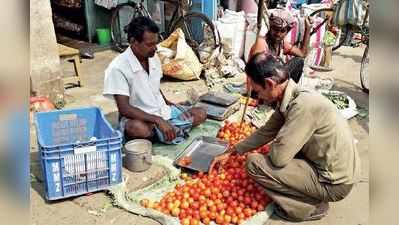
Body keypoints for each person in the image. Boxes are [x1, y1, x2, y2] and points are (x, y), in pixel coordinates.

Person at [210, 53, 361, 222]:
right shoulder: (294, 95)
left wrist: (279, 142)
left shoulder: (303, 106)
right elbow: (267, 131)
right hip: (333, 169)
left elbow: (279, 158)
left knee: (254, 164)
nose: (258, 97)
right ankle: (309, 192)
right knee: (278, 152)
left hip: (334, 184)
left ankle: (307, 207)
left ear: (269, 83)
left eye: (258, 91)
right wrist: (233, 151)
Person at [103, 16, 207, 143]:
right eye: (149, 44)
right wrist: (157, 120)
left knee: (201, 113)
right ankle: (172, 130)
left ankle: (166, 132)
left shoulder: (153, 57)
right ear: (133, 41)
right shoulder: (118, 68)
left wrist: (167, 102)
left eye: (155, 43)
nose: (155, 48)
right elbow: (124, 109)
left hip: (163, 112)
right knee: (136, 128)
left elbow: (154, 85)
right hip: (141, 119)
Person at [249, 8, 313, 83]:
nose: (278, 34)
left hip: (275, 82)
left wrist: (308, 29)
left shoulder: (282, 44)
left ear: (287, 32)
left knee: (299, 61)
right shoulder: (262, 44)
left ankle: (287, 90)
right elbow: (253, 73)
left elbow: (302, 54)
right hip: (263, 85)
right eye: (276, 29)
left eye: (282, 31)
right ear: (271, 28)